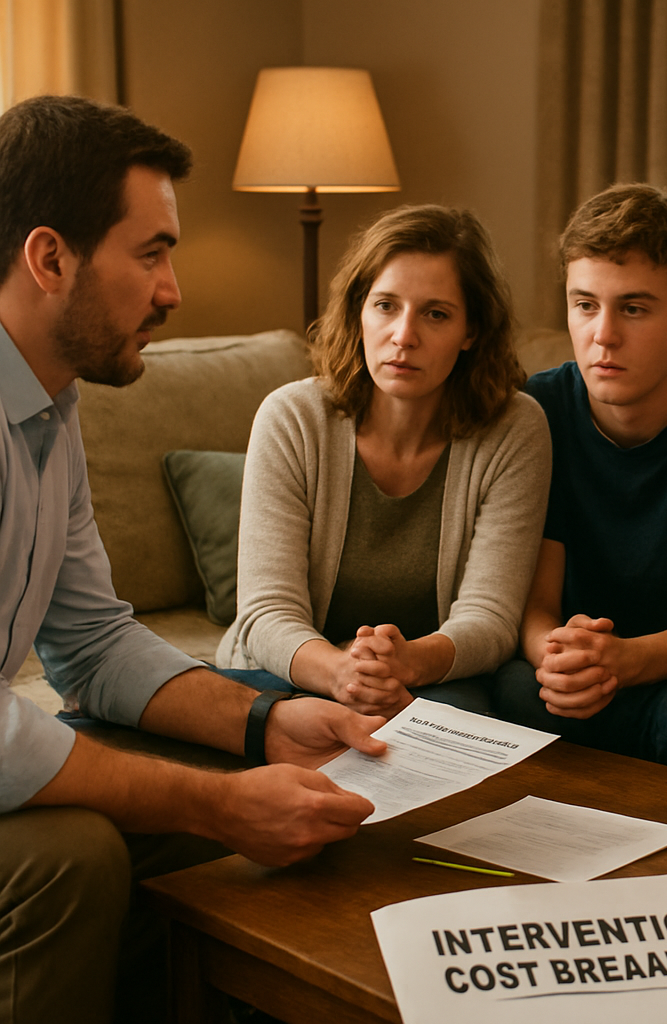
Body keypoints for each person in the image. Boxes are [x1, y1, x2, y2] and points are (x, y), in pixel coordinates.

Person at [0, 95, 389, 1024]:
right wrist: (216, 805)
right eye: (152, 252)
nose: (174, 289)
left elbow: (93, 643)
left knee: (221, 818)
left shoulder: (51, 408)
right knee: (80, 855)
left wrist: (267, 723)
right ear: (51, 258)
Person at [217, 205, 551, 719]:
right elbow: (264, 614)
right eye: (386, 306)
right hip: (287, 671)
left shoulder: (514, 429)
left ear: (472, 331)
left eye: (435, 314)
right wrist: (341, 673)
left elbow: (491, 618)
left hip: (427, 680)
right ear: (358, 311)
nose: (403, 335)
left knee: (460, 733)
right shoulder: (292, 418)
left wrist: (408, 662)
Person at [492, 183, 667, 777]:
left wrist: (624, 661)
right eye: (585, 305)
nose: (602, 335)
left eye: (632, 308)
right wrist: (559, 657)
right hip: (567, 681)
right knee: (508, 693)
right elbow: (532, 608)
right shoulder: (537, 410)